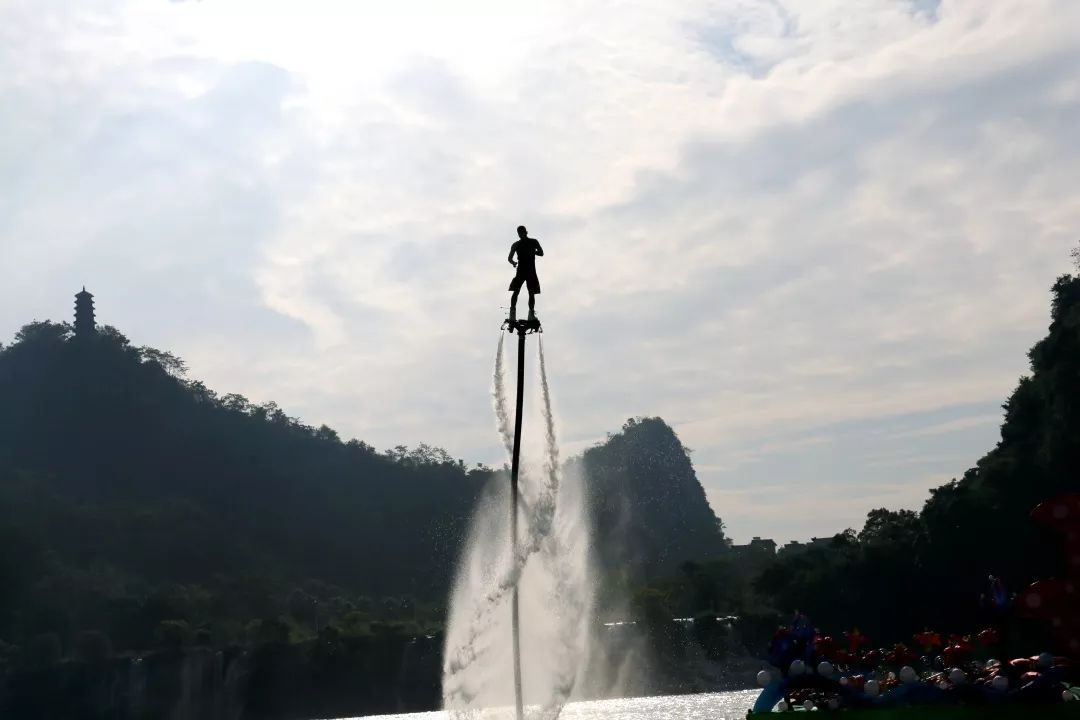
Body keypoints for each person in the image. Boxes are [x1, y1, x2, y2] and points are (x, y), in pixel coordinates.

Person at [508, 225, 543, 323]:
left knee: (531, 293)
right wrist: (513, 262)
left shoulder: (533, 242)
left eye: (522, 232)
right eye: (519, 233)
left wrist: (533, 252)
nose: (520, 235)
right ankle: (512, 312)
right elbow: (509, 258)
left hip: (531, 271)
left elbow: (541, 253)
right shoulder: (516, 244)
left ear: (526, 232)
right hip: (521, 271)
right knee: (516, 291)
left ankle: (531, 314)